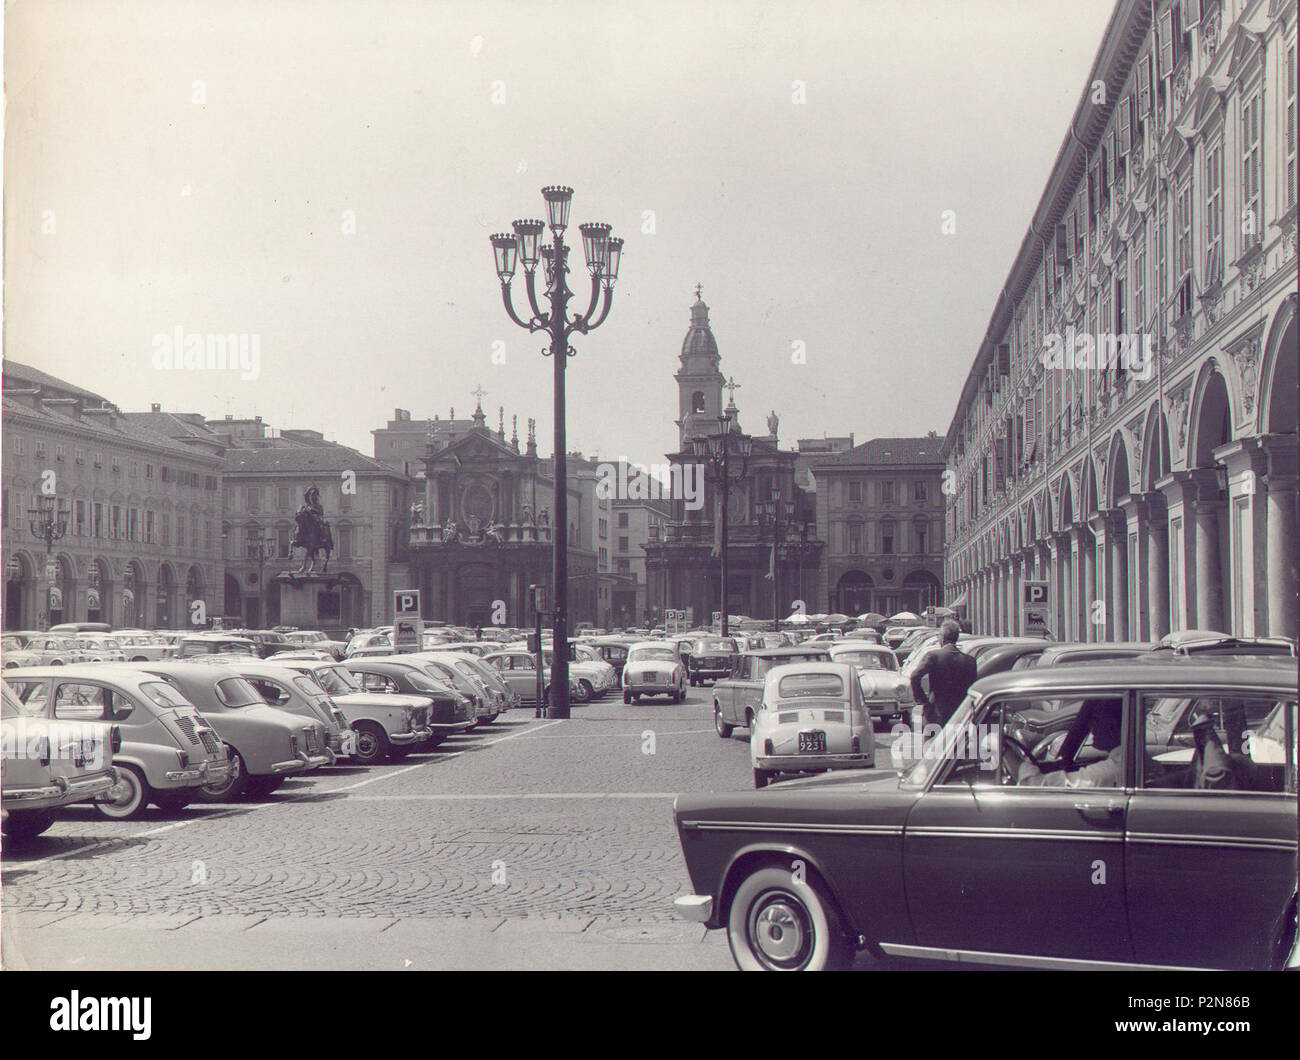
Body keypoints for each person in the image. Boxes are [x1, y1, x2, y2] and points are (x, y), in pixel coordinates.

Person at [1019, 698, 1124, 788]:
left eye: (1096, 719)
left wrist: (1022, 765)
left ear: (1113, 725)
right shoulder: (1121, 762)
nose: (1092, 726)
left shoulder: (1114, 769)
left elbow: (1036, 786)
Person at [909, 620, 977, 728]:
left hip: (936, 713)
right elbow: (973, 687)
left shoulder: (934, 656)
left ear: (942, 638)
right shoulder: (970, 660)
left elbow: (914, 676)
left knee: (931, 744)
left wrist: (922, 699)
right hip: (960, 714)